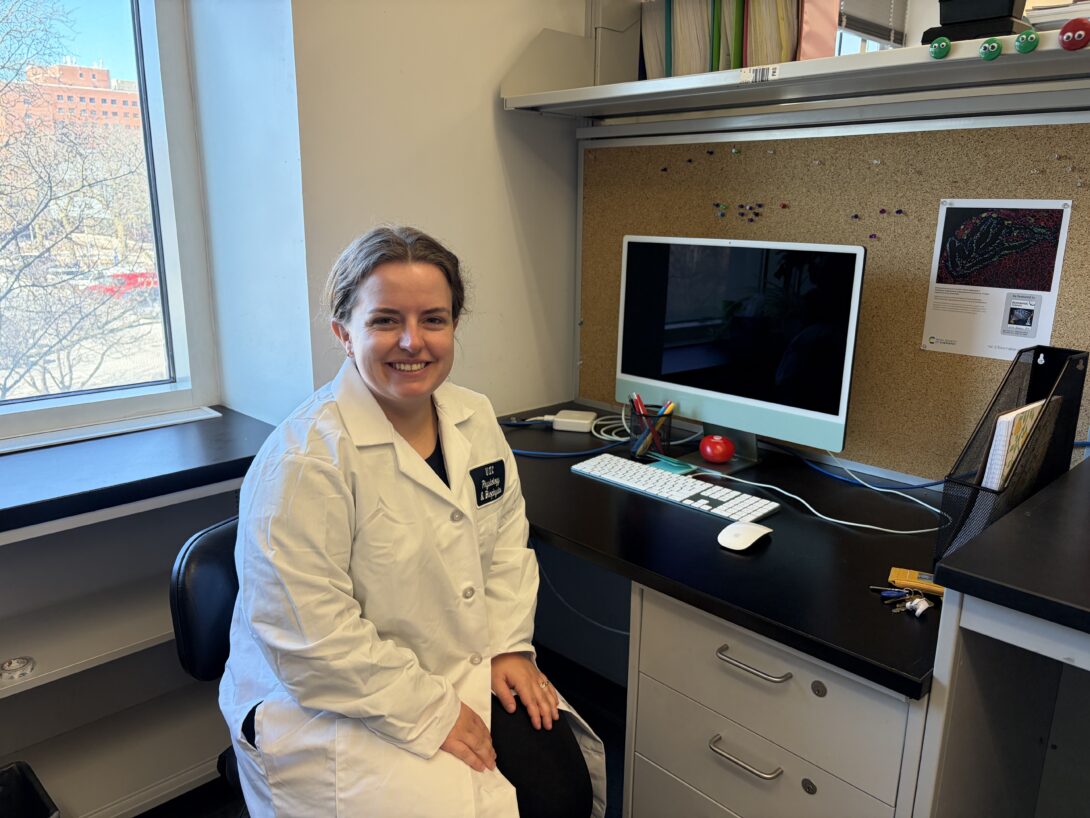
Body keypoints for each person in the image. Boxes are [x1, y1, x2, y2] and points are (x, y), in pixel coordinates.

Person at [219, 226, 605, 818]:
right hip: (331, 695)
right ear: (343, 332)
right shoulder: (303, 460)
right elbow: (310, 637)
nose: (412, 342)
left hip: (463, 657)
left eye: (433, 319)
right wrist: (431, 711)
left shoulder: (473, 417)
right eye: (384, 321)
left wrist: (509, 647)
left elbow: (505, 544)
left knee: (562, 794)